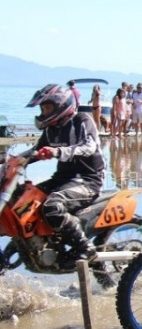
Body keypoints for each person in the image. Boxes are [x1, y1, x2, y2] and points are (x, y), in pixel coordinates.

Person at [20, 84, 105, 269]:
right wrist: (10, 160)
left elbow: (88, 147)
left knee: (52, 205)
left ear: (61, 105)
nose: (44, 112)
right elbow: (34, 152)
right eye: (43, 108)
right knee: (24, 199)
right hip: (63, 179)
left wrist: (58, 152)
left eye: (47, 107)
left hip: (88, 179)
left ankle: (85, 247)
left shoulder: (82, 120)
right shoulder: (51, 128)